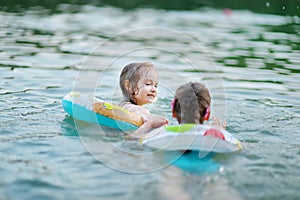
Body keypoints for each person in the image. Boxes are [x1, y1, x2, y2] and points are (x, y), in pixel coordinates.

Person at [119, 62, 168, 136]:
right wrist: (152, 123)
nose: (154, 89)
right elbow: (149, 123)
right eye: (148, 84)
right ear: (129, 86)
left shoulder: (123, 105)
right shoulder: (139, 109)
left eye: (156, 86)